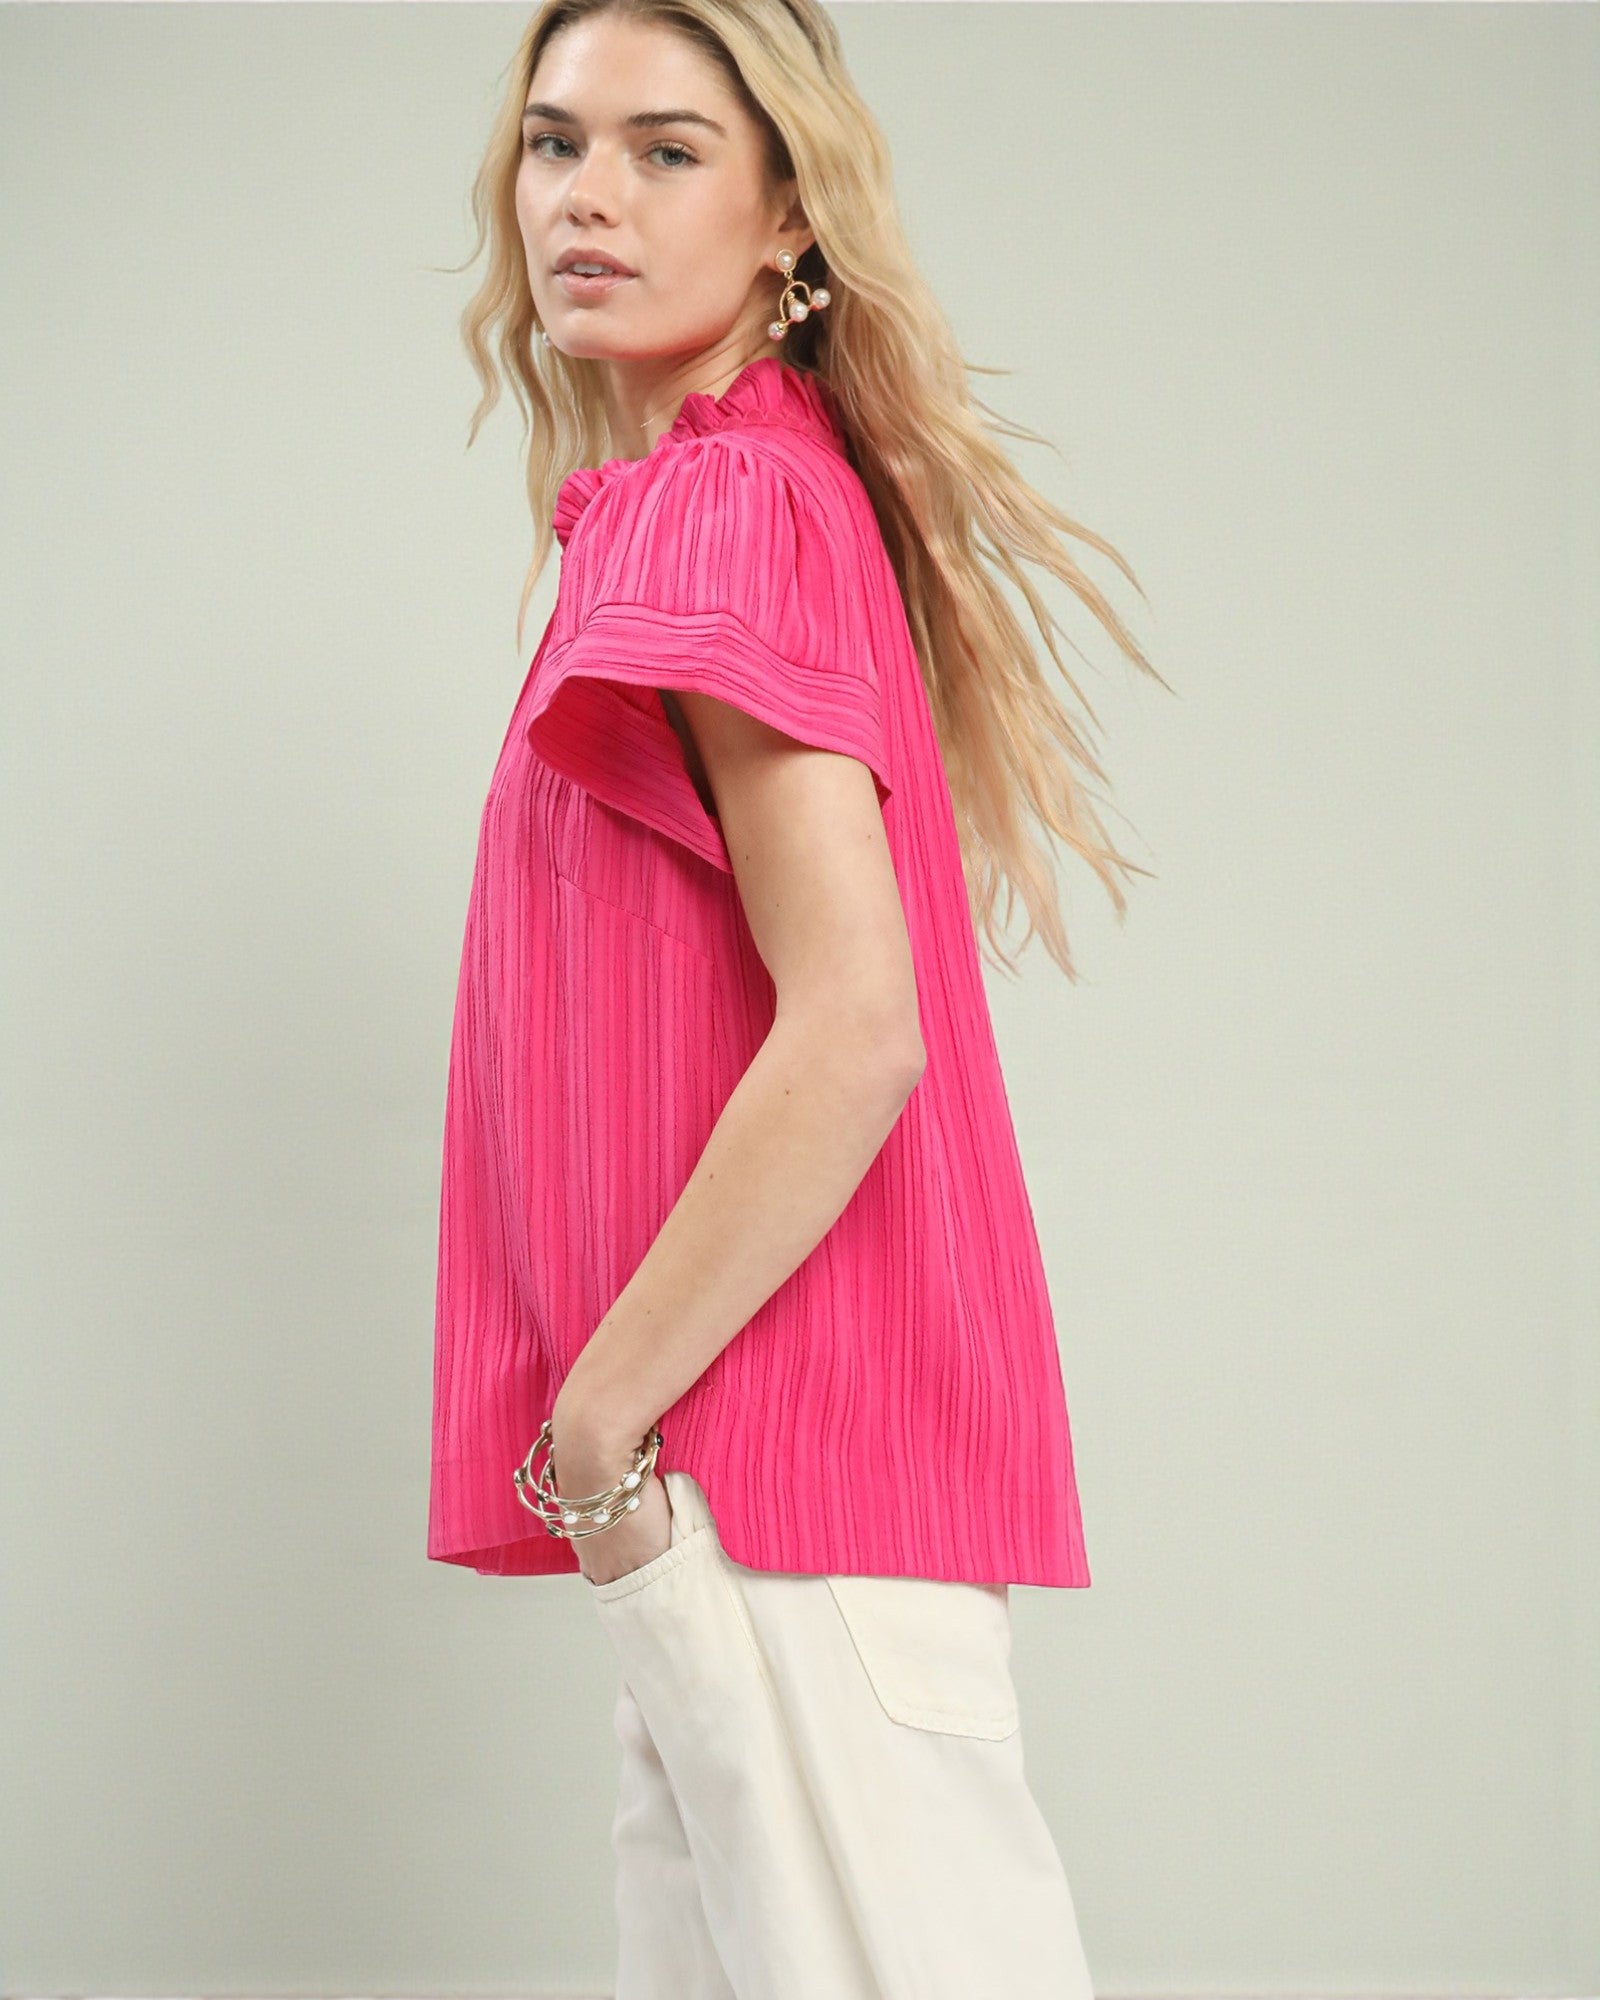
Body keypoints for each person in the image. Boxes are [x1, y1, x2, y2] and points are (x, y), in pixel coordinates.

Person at [429, 1, 1165, 1992]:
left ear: (786, 219)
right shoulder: (730, 493)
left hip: (773, 1493)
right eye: (554, 142)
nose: (584, 198)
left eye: (664, 150)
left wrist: (595, 1423)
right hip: (748, 1497)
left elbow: (855, 1023)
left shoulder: (727, 508)